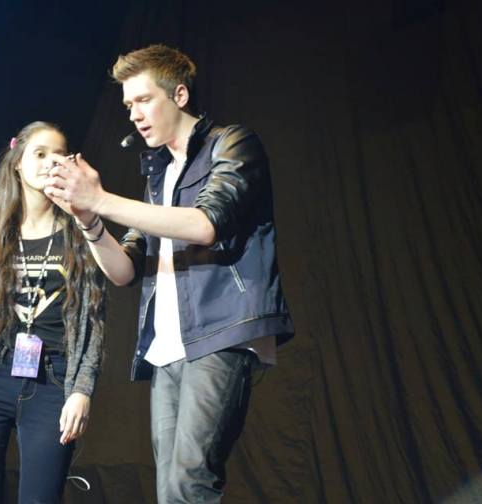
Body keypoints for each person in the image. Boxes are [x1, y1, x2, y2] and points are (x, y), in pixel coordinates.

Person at [43, 44, 294, 503]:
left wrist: (101, 200)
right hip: (166, 349)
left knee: (189, 483)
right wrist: (87, 219)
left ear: (178, 95)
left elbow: (204, 224)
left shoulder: (232, 144)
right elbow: (123, 270)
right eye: (127, 105)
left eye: (143, 100)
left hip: (220, 336)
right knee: (171, 491)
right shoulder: (158, 178)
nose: (134, 115)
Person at [0, 121, 106, 503]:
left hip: (53, 383)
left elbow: (95, 319)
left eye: (59, 154)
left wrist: (82, 390)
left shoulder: (78, 231)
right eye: (40, 153)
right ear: (17, 162)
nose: (51, 162)